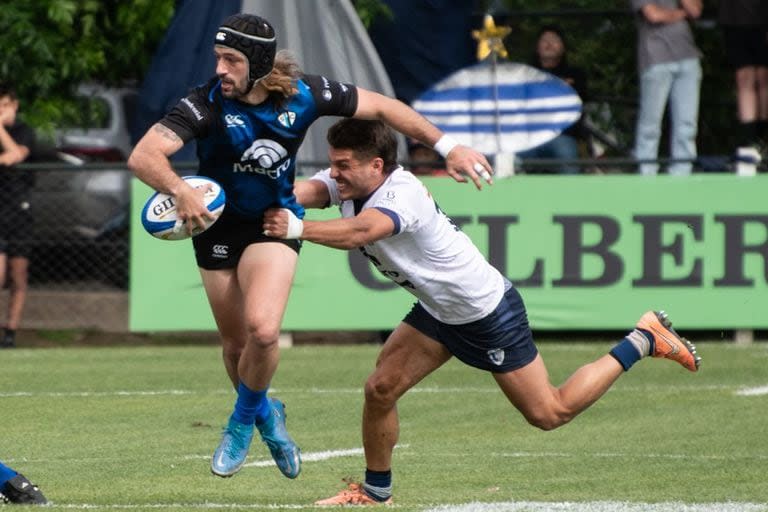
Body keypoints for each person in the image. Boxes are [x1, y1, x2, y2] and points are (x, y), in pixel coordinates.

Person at [127, 13, 493, 480]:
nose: (220, 69)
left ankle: (241, 422)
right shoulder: (204, 103)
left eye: (231, 59)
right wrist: (181, 192)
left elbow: (384, 108)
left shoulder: (306, 94)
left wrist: (449, 147)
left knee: (262, 332)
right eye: (218, 58)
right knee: (235, 346)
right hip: (215, 227)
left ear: (258, 62)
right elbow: (144, 155)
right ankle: (268, 415)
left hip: (272, 224)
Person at [262, 118, 701, 505]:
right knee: (380, 389)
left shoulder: (403, 193)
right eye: (333, 164)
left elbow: (363, 229)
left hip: (484, 312)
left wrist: (296, 226)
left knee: (549, 413)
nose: (334, 174)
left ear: (376, 165)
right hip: (438, 311)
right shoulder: (348, 181)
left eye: (343, 166)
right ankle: (376, 493)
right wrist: (245, 197)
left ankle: (642, 339)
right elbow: (303, 191)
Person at [630, 0, 702, 176]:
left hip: (688, 57)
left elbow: (695, 10)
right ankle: (646, 171)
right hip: (656, 58)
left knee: (687, 122)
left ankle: (683, 170)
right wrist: (680, 14)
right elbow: (654, 15)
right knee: (651, 122)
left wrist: (677, 13)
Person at [516, 25, 588, 175]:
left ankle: (571, 198)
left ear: (563, 47)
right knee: (507, 159)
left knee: (566, 155)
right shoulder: (524, 74)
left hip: (562, 136)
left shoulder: (575, 74)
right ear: (537, 48)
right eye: (544, 40)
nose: (549, 43)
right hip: (529, 138)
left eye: (554, 40)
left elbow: (577, 104)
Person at [0, 82, 36, 349]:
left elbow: (15, 156)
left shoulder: (24, 131)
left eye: (5, 106)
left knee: (18, 275)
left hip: (20, 211)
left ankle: (11, 332)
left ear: (15, 105)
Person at [718, 1, 768, 152]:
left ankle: (763, 136)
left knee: (763, 78)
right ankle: (749, 140)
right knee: (744, 78)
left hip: (762, 19)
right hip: (736, 22)